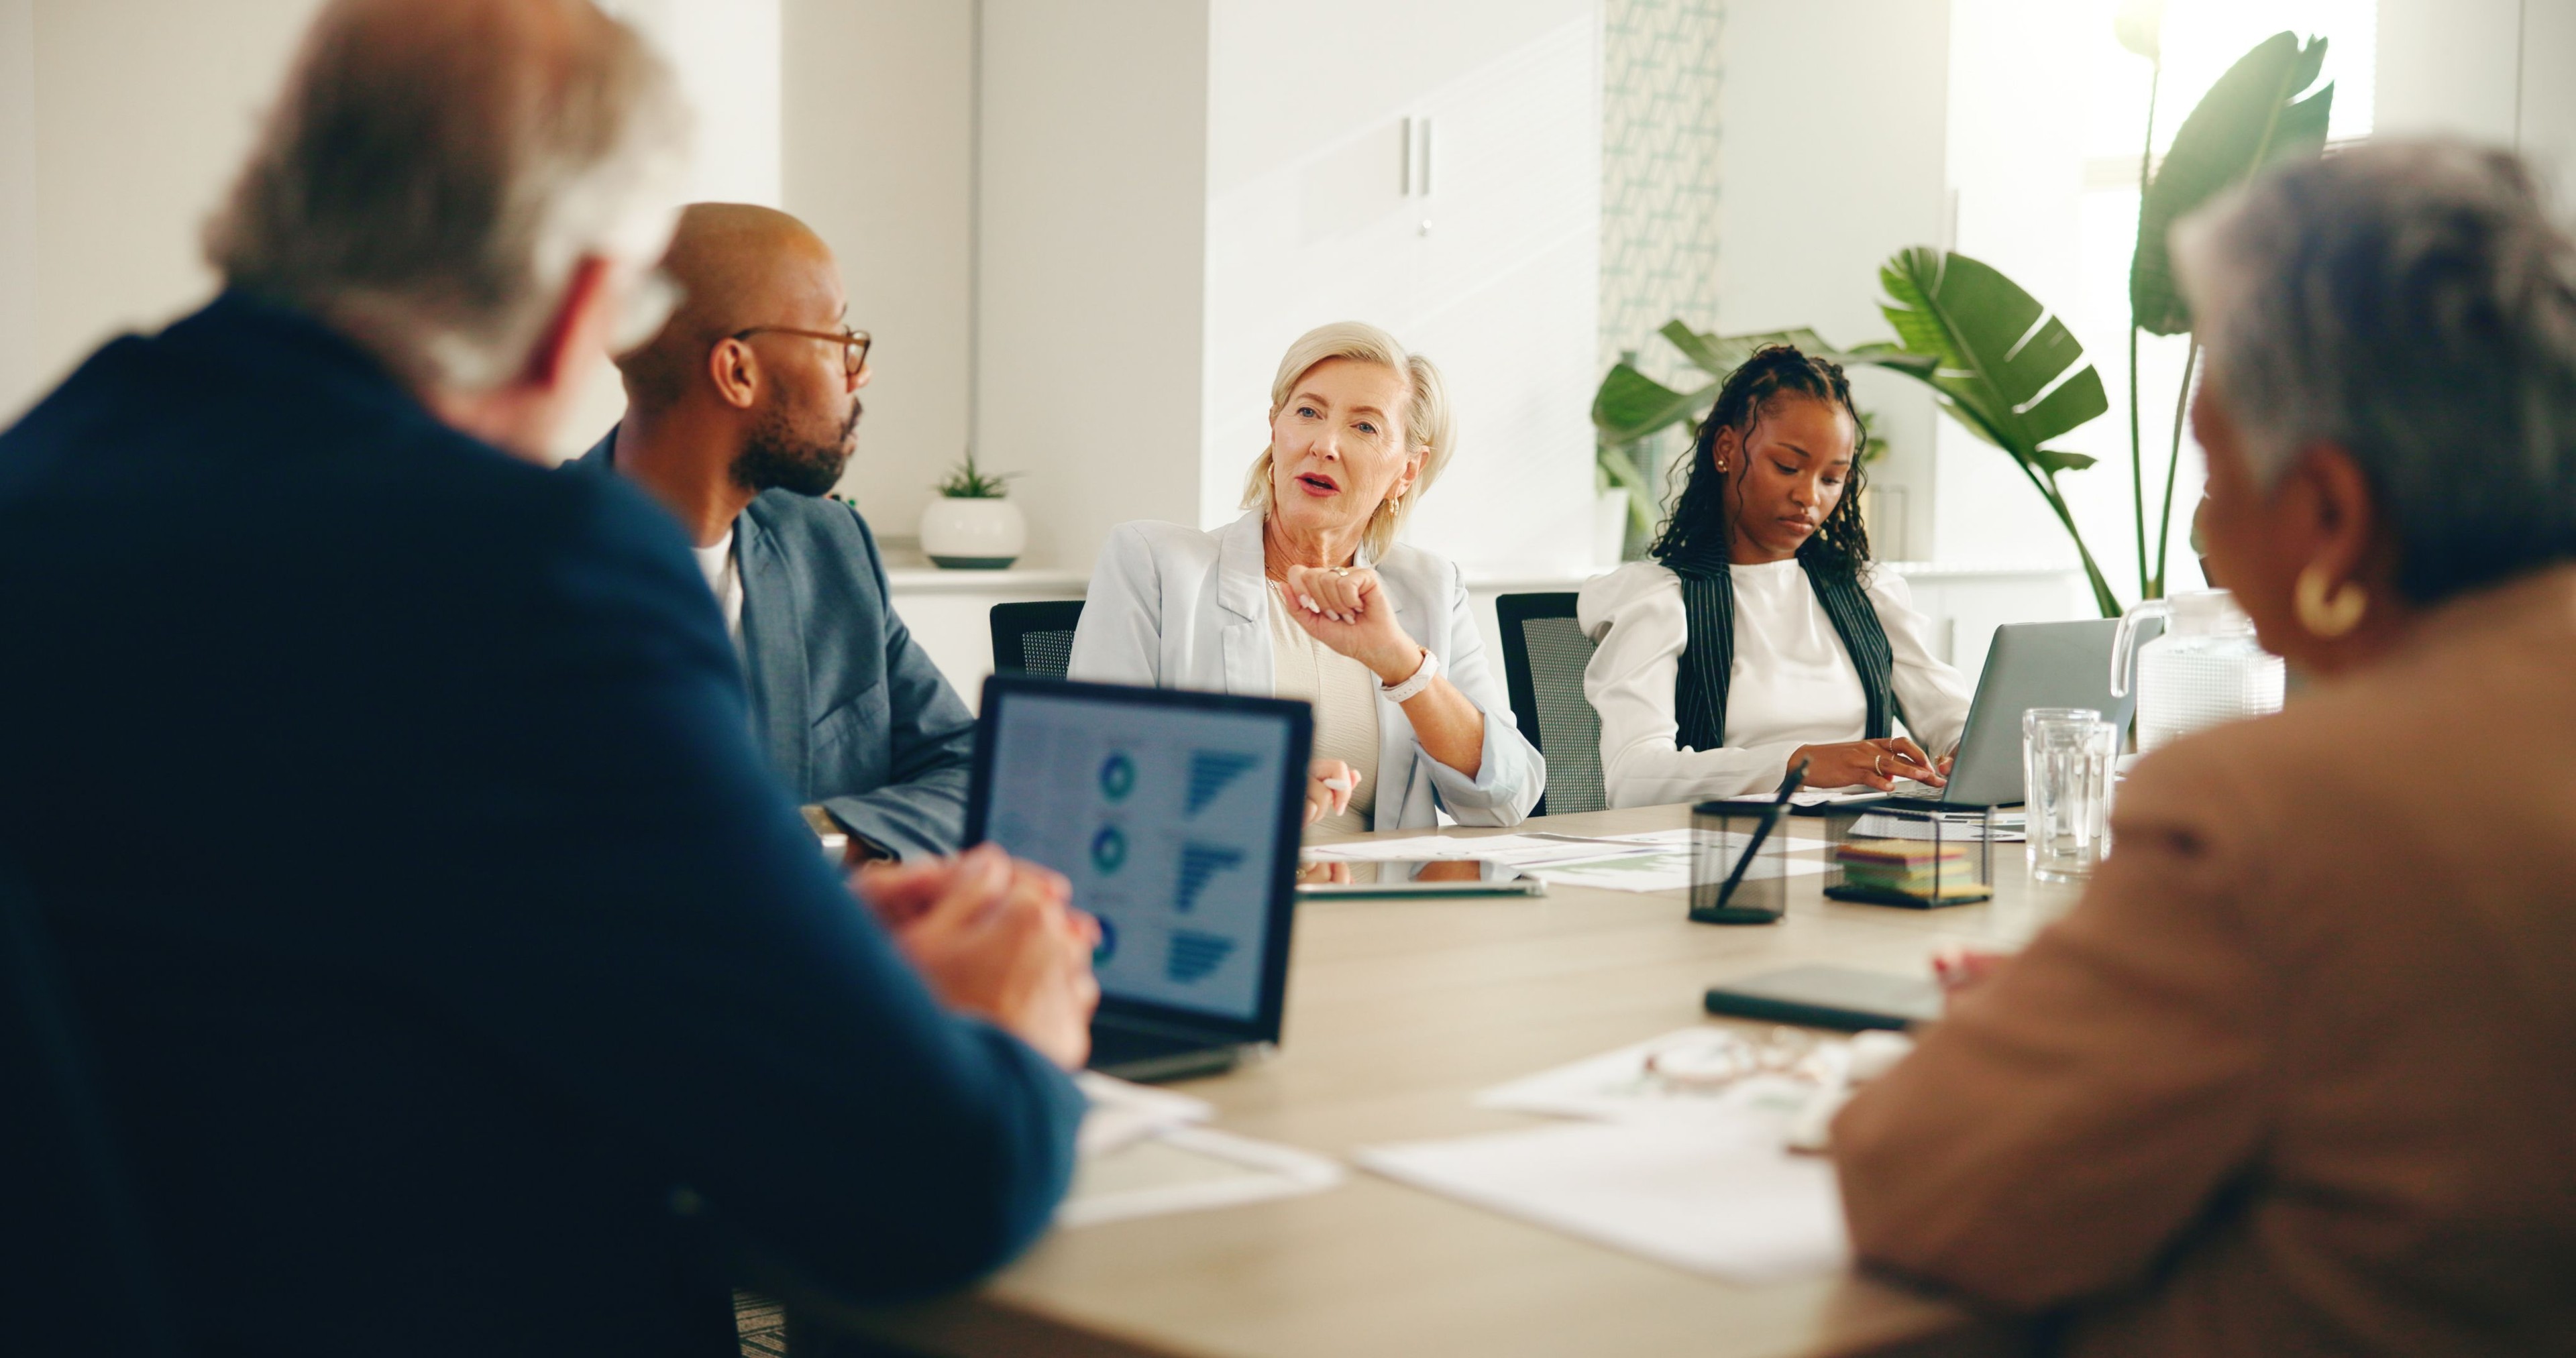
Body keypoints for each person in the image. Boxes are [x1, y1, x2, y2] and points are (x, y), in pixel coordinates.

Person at [0, 2, 1095, 1353]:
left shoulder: (38, 486)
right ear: (584, 296)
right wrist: (1017, 1030)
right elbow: (932, 1182)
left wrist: (786, 947)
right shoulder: (539, 576)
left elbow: (312, 959)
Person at [1833, 140, 2576, 1354]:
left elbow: (1919, 1185)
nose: (2204, 527)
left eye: (2214, 467)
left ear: (2329, 514)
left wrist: (2045, 1022)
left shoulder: (2272, 813)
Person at [570, 201, 973, 860]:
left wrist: (818, 843)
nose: (859, 371)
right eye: (838, 337)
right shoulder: (518, 573)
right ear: (738, 372)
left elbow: (971, 772)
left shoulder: (830, 549)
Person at [1068, 321, 1542, 830]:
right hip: (1220, 896)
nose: (1325, 444)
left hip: (1386, 903)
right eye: (1308, 412)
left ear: (1407, 470)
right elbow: (1092, 771)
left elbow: (1509, 799)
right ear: (1276, 428)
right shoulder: (1155, 564)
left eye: (1364, 427)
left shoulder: (1430, 586)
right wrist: (1252, 787)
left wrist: (1402, 665)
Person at [1578, 346, 1971, 804]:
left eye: (1831, 479)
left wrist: (1964, 750)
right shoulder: (1662, 598)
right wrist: (1799, 765)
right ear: (1726, 449)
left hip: (1865, 852)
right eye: (1787, 467)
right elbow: (1633, 778)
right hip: (1726, 858)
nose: (1809, 496)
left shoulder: (1868, 592)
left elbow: (1954, 721)